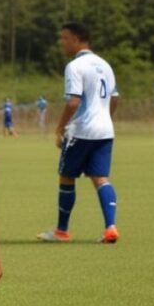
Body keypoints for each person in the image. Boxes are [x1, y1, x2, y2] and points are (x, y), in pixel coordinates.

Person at [38, 22, 119, 244]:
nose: (61, 43)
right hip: (105, 130)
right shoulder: (105, 65)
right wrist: (106, 118)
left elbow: (73, 102)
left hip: (82, 130)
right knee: (101, 179)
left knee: (66, 176)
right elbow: (115, 98)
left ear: (76, 39)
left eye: (64, 38)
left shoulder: (75, 66)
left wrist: (60, 127)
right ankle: (110, 228)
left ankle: (62, 231)